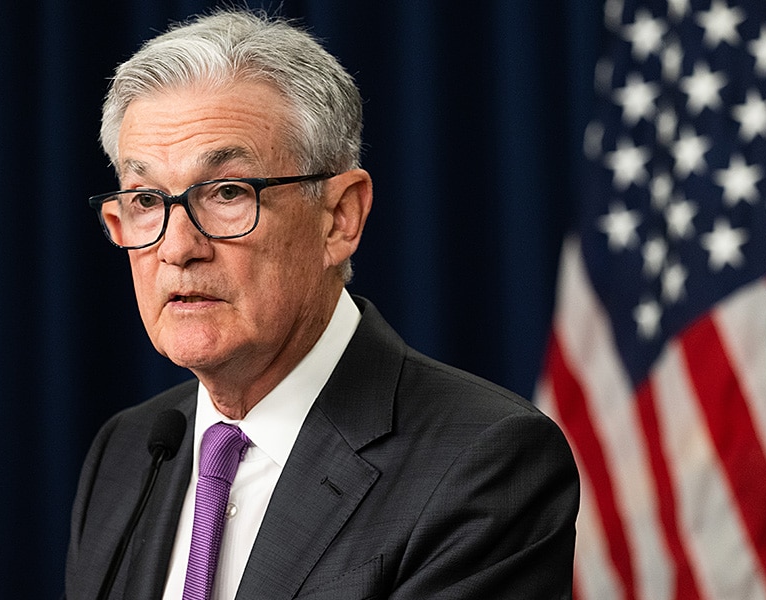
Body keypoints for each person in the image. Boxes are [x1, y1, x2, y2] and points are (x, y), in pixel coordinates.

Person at [65, 8, 579, 600]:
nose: (178, 248)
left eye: (229, 192)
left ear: (340, 217)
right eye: (146, 199)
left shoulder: (482, 461)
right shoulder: (128, 451)